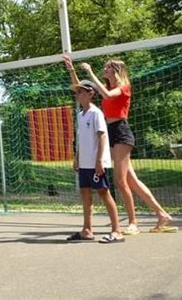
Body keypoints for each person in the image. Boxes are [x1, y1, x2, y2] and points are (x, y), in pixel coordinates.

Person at [64, 55, 177, 234]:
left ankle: (133, 223)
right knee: (131, 180)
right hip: (111, 132)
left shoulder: (123, 87)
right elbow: (83, 89)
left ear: (116, 70)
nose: (104, 69)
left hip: (121, 131)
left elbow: (107, 95)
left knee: (120, 180)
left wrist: (90, 71)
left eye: (107, 67)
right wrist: (71, 70)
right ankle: (162, 214)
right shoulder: (105, 87)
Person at [64, 78, 124, 244]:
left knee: (104, 194)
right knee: (85, 194)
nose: (77, 95)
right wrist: (76, 158)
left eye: (81, 92)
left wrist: (99, 161)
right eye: (76, 92)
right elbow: (80, 139)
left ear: (90, 93)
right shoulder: (80, 115)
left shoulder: (96, 113)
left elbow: (102, 136)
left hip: (96, 163)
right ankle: (87, 230)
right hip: (84, 163)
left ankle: (117, 231)